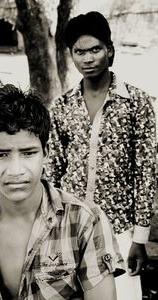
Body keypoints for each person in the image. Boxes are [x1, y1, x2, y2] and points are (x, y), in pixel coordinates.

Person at [0, 84, 125, 300]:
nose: (16, 170)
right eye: (1, 155)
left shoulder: (84, 222)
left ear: (45, 153)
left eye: (28, 153)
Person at [46, 11, 157, 300]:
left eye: (95, 49)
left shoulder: (137, 103)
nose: (88, 58)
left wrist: (140, 238)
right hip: (70, 228)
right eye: (79, 52)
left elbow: (145, 172)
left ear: (109, 50)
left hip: (120, 230)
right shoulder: (61, 106)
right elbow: (52, 169)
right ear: (71, 55)